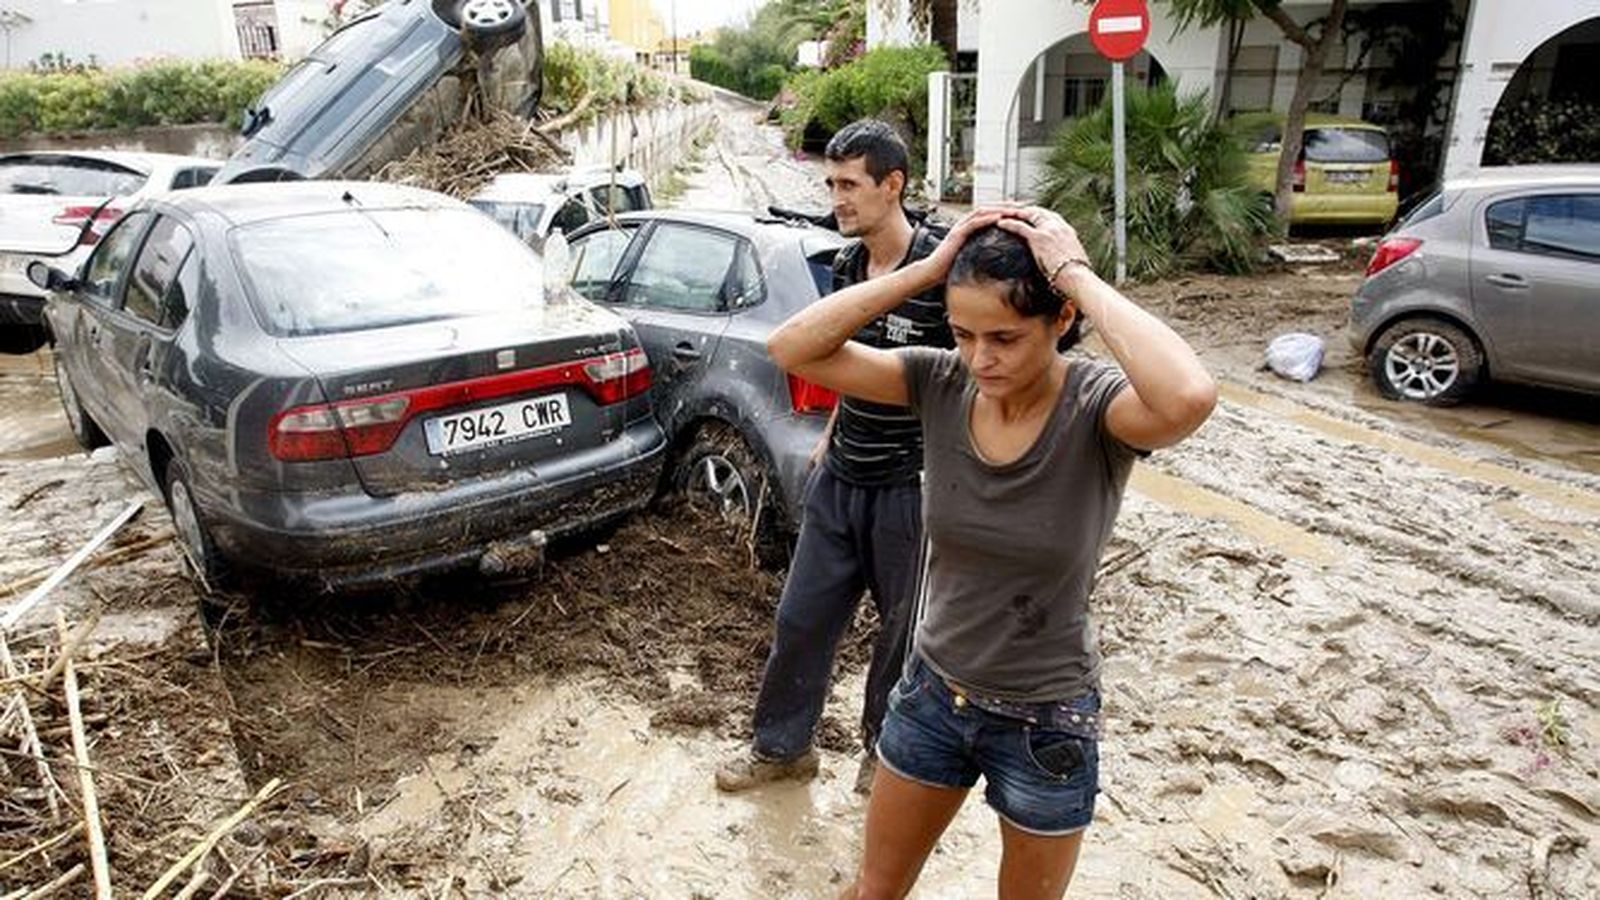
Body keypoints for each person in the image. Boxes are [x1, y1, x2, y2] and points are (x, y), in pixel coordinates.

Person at [766, 207, 1217, 897]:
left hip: (1046, 720)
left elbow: (1187, 396)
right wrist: (927, 266)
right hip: (930, 697)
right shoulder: (939, 383)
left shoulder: (1098, 410)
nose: (983, 359)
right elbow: (793, 348)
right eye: (964, 333)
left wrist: (1075, 273)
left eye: (1005, 337)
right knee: (872, 891)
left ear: (1060, 319)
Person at [716, 120, 954, 795]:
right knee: (802, 617)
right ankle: (783, 748)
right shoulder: (848, 266)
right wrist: (832, 431)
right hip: (842, 475)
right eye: (831, 183)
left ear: (893, 185)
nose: (837, 198)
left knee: (900, 635)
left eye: (850, 184)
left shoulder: (943, 269)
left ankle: (885, 758)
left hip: (913, 487)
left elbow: (976, 372)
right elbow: (838, 355)